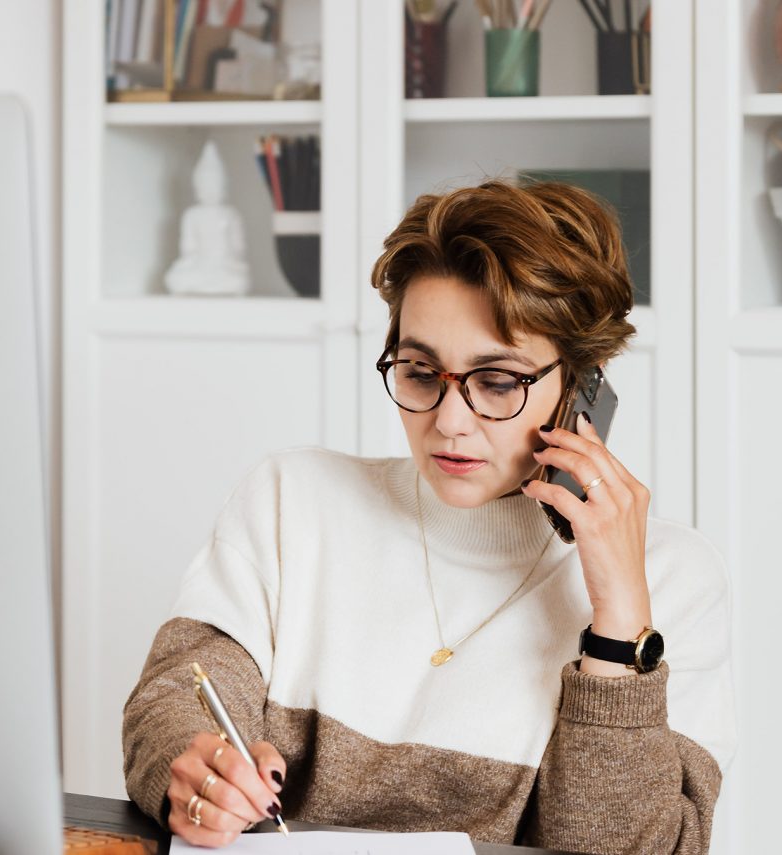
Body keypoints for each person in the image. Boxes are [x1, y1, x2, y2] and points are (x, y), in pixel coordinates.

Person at [122, 179, 737, 854]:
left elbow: (625, 849)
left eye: (497, 381)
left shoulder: (672, 581)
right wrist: (195, 766)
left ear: (583, 386)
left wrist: (618, 629)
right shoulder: (291, 501)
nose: (448, 423)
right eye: (419, 371)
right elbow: (178, 698)